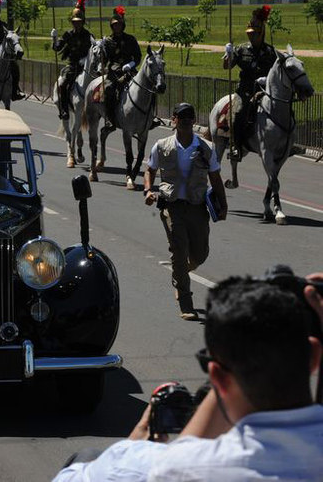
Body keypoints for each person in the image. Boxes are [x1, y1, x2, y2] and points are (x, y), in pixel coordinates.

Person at [54, 275, 323, 482]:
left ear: (217, 378)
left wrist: (136, 440)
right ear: (314, 356)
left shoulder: (166, 467)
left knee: (88, 456)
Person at [144, 103, 228, 320]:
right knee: (179, 251)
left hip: (197, 207)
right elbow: (150, 170)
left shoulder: (206, 148)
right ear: (174, 120)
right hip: (172, 206)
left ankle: (179, 274)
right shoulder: (162, 145)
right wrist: (148, 190)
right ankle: (185, 301)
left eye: (190, 117)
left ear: (194, 121)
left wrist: (223, 204)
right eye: (182, 117)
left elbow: (215, 178)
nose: (186, 120)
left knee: (200, 254)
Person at [222, 6, 276, 161]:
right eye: (249, 35)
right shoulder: (242, 49)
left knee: (283, 107)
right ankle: (236, 147)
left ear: (261, 33)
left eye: (254, 35)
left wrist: (268, 80)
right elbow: (227, 67)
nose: (251, 38)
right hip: (244, 91)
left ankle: (287, 140)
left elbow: (277, 71)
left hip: (265, 91)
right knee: (237, 113)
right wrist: (228, 54)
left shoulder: (270, 52)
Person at [101, 7, 162, 136]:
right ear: (112, 27)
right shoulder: (108, 41)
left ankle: (151, 118)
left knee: (150, 88)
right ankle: (110, 119)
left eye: (119, 25)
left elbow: (138, 56)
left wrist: (131, 64)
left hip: (130, 70)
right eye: (115, 25)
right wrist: (102, 50)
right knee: (108, 89)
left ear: (123, 26)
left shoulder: (131, 39)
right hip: (114, 71)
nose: (117, 27)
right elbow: (105, 60)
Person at [51, 0, 92, 120]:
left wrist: (86, 59)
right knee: (63, 84)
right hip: (73, 65)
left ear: (82, 22)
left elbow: (93, 50)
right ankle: (64, 111)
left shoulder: (88, 35)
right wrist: (54, 38)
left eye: (79, 22)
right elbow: (57, 48)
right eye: (74, 22)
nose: (77, 24)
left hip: (86, 66)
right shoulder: (68, 34)